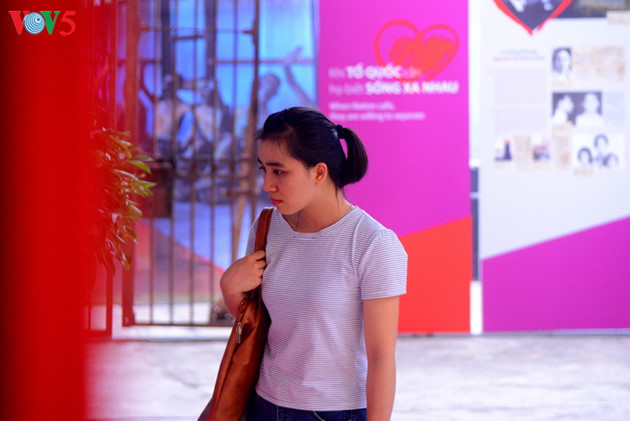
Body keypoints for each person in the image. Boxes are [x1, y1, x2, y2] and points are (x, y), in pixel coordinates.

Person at [219, 107, 408, 420]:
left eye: (279, 171)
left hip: (336, 412)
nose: (267, 184)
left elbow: (382, 358)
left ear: (319, 172)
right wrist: (229, 290)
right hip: (264, 404)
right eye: (263, 170)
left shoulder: (372, 242)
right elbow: (257, 323)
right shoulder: (266, 228)